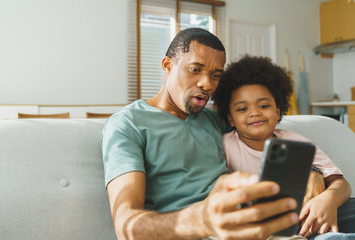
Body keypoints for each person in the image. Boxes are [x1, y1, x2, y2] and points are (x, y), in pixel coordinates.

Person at [102, 28, 323, 240]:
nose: (207, 84)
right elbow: (126, 225)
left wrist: (311, 172)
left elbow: (264, 137)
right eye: (195, 70)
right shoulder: (127, 124)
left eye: (216, 75)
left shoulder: (216, 120)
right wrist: (202, 219)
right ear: (168, 65)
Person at [212, 55, 355, 239]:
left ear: (277, 110)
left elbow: (340, 183)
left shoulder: (297, 142)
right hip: (272, 226)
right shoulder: (225, 145)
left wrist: (328, 200)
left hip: (312, 213)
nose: (255, 113)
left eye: (263, 105)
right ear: (230, 118)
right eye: (242, 109)